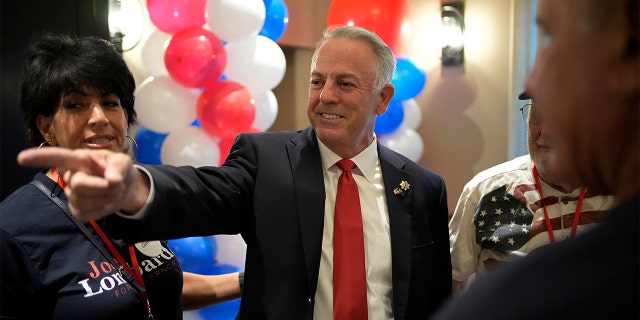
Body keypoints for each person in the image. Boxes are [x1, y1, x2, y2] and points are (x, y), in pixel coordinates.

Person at [16, 26, 453, 319]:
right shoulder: (266, 161)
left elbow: (433, 298)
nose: (326, 96)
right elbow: (200, 193)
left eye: (345, 83)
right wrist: (137, 186)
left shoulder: (421, 188)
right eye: (317, 81)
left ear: (382, 99)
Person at [0, 33, 241, 319]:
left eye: (111, 102)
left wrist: (247, 280)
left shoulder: (134, 197)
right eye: (75, 104)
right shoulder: (12, 230)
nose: (99, 117)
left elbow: (153, 282)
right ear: (46, 127)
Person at [432, 0, 639, 318]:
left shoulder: (619, 195)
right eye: (535, 114)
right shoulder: (487, 191)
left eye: (551, 35)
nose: (534, 76)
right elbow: (449, 283)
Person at [447, 91, 616, 294]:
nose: (545, 131)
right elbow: (452, 280)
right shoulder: (485, 190)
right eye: (537, 114)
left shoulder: (622, 191)